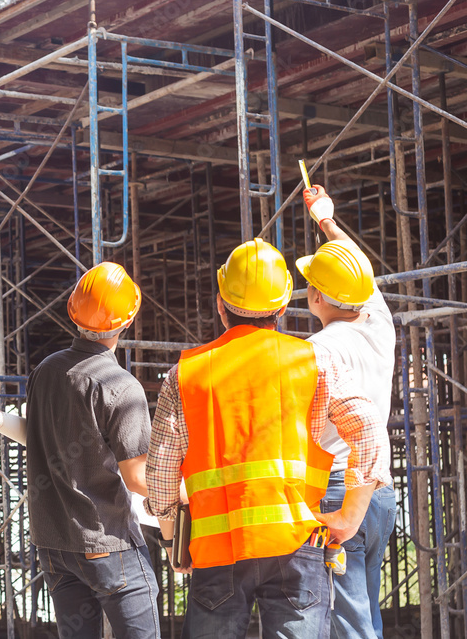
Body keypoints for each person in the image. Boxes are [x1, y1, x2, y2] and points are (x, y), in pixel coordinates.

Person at [145, 237, 392, 639]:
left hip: (217, 551)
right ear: (281, 309)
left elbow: (160, 475)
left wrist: (176, 539)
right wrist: (349, 517)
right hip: (297, 545)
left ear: (220, 304)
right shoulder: (314, 361)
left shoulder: (185, 374)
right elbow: (368, 431)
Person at [28, 261, 160, 639]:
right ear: (127, 321)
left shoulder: (44, 371)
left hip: (54, 546)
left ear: (73, 312)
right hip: (107, 541)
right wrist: (191, 493)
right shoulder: (119, 385)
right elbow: (138, 479)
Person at [299, 184, 398, 639]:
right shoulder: (380, 325)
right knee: (363, 613)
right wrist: (326, 218)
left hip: (339, 489)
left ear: (316, 297)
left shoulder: (316, 351)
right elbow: (359, 271)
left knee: (348, 621)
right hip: (379, 494)